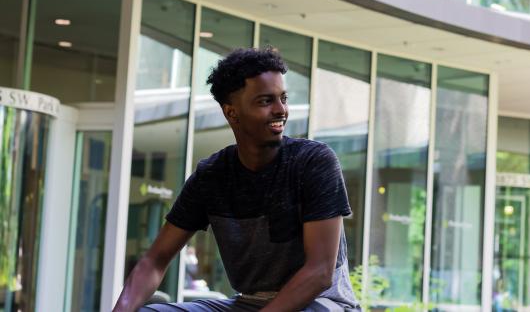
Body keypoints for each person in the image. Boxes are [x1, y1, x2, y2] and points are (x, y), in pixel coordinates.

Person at [113, 47, 360, 311]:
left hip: (322, 303)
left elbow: (320, 272)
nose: (281, 110)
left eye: (283, 98)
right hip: (250, 304)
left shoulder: (313, 161)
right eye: (266, 101)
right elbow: (154, 261)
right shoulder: (211, 175)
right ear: (232, 113)